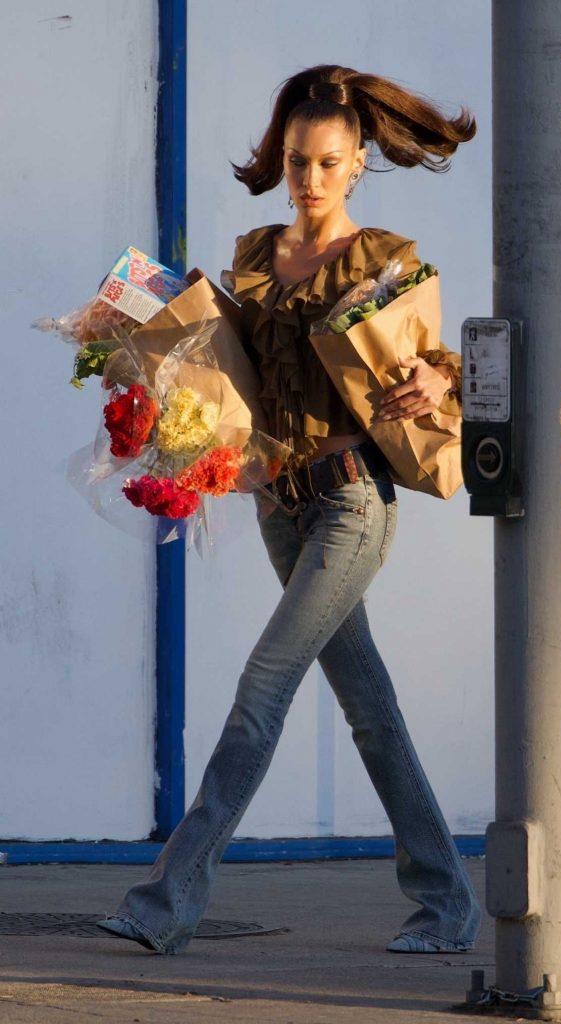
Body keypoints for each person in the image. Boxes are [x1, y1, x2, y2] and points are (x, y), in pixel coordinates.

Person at [98, 63, 481, 956]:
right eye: (297, 160)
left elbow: (438, 360)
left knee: (260, 691)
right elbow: (227, 371)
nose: (308, 179)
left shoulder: (386, 259)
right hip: (281, 505)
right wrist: (144, 358)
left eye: (327, 162)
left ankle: (166, 903)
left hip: (353, 504)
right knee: (369, 709)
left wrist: (434, 377)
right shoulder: (255, 255)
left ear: (357, 165)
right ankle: (447, 903)